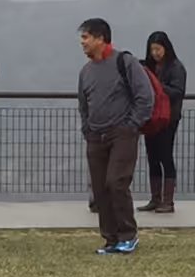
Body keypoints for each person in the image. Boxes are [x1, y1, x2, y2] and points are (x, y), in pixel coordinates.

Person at [77, 17, 153, 255]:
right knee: (99, 189)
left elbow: (145, 96)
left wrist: (132, 125)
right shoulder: (86, 71)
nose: (82, 43)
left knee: (116, 183)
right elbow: (84, 104)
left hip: (122, 134)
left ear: (100, 38)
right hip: (95, 136)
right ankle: (110, 239)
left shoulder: (125, 62)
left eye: (86, 38)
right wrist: (87, 129)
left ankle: (128, 235)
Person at [137, 30, 187, 214]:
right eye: (153, 50)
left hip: (168, 119)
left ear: (166, 48)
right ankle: (155, 199)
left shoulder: (176, 67)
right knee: (152, 158)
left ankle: (168, 201)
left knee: (166, 156)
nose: (156, 53)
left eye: (159, 49)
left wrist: (157, 86)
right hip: (152, 118)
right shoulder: (149, 68)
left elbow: (178, 92)